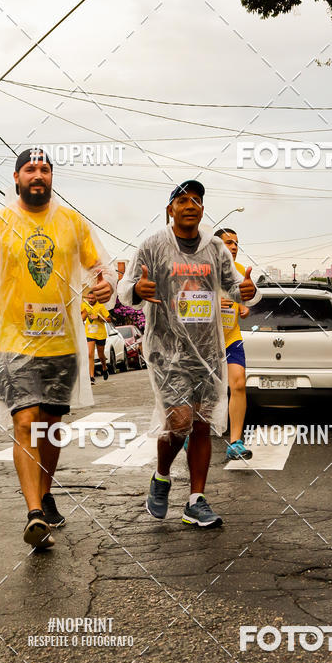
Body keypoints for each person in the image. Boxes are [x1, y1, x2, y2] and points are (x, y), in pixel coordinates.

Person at [0, 148, 116, 550]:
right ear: (16, 177)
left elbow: (102, 270)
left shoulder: (72, 223)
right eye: (30, 169)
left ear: (51, 176)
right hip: (13, 342)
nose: (37, 175)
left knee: (52, 426)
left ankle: (44, 492)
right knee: (25, 421)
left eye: (44, 169)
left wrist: (105, 285)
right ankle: (34, 513)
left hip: (61, 344)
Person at [118, 180, 259, 528]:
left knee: (202, 424)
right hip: (167, 352)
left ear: (202, 208)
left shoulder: (214, 249)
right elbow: (124, 291)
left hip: (209, 352)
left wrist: (248, 292)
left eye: (197, 199)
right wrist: (136, 288)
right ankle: (162, 475)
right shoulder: (152, 246)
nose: (190, 204)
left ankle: (196, 500)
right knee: (179, 421)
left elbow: (236, 290)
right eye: (182, 199)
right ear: (170, 209)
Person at [215, 228, 253, 460]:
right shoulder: (203, 270)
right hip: (205, 340)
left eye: (237, 243)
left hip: (232, 337)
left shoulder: (240, 272)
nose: (234, 247)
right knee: (203, 392)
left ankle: (236, 442)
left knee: (238, 384)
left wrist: (244, 308)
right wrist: (212, 302)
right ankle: (191, 434)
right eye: (228, 242)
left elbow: (244, 304)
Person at [81, 292, 110, 383]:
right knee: (90, 354)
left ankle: (104, 367)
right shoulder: (84, 305)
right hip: (90, 333)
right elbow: (81, 316)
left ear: (96, 298)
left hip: (100, 334)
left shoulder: (101, 306)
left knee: (101, 355)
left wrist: (98, 317)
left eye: (92, 298)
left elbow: (108, 319)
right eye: (89, 298)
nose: (90, 300)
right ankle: (91, 376)